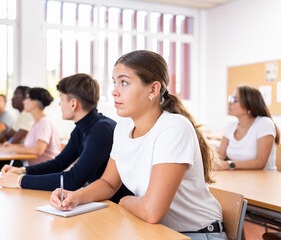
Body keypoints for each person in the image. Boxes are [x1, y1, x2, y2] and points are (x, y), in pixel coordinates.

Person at [49, 50, 226, 239]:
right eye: (114, 82)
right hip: (155, 230)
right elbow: (109, 183)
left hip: (196, 234)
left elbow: (151, 211)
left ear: (153, 89)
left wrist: (124, 200)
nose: (114, 91)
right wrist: (75, 196)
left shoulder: (174, 127)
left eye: (124, 82)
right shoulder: (124, 126)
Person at [0, 73, 133, 203]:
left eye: (61, 99)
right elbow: (58, 164)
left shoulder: (102, 130)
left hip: (118, 206)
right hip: (102, 202)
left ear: (73, 104)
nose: (60, 104)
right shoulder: (81, 129)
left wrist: (19, 181)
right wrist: (22, 171)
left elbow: (72, 180)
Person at [215, 85, 280, 170]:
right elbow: (220, 156)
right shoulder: (230, 125)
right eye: (231, 99)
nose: (229, 103)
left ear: (249, 107)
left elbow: (260, 162)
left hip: (264, 179)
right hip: (239, 177)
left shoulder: (264, 123)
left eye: (235, 100)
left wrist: (228, 165)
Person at [0, 87, 61, 166]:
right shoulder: (36, 123)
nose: (24, 102)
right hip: (36, 169)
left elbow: (38, 150)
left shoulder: (44, 122)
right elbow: (30, 146)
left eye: (26, 98)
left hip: (46, 171)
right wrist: (12, 146)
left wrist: (11, 148)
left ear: (34, 103)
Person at [0, 86, 34, 171]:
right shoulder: (22, 115)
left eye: (15, 95)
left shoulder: (29, 115)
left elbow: (13, 140)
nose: (12, 99)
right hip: (15, 154)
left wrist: (3, 143)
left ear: (25, 98)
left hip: (20, 159)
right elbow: (8, 136)